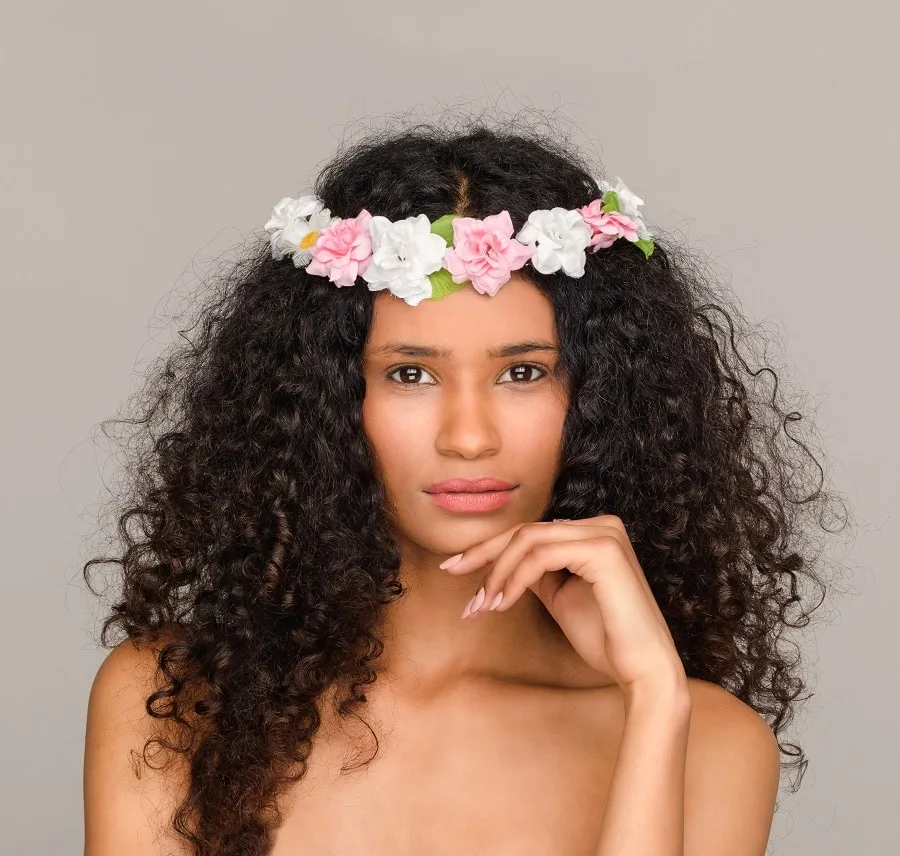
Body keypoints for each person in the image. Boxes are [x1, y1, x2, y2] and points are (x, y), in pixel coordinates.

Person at [82, 119, 846, 856]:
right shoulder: (177, 705)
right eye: (410, 374)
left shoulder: (704, 738)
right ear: (319, 400)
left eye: (524, 372)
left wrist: (653, 698)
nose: (470, 436)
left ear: (606, 397)